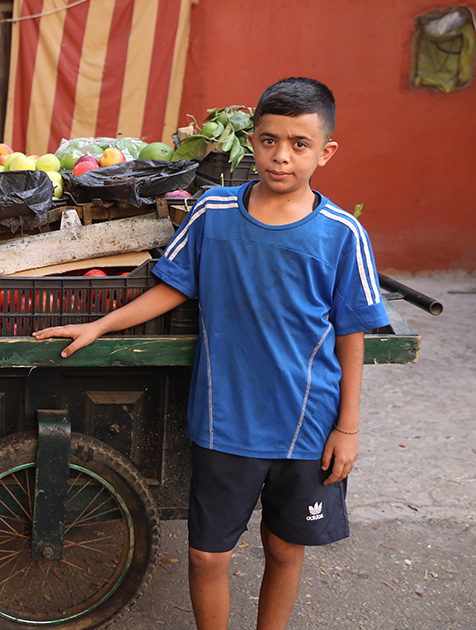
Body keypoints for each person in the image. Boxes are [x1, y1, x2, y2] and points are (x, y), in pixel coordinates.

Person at [33, 77, 389, 630]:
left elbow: (351, 334)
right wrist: (100, 325)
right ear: (252, 140)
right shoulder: (213, 211)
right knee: (206, 556)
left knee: (284, 548)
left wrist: (349, 428)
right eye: (270, 140)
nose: (281, 155)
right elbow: (174, 285)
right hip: (225, 422)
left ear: (326, 152)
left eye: (300, 143)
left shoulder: (342, 234)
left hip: (307, 424)